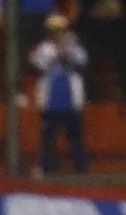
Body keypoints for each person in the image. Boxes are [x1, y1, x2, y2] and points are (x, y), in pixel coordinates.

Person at [30, 14, 89, 175]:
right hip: (50, 100)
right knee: (48, 136)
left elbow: (83, 61)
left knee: (75, 135)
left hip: (71, 99)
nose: (58, 33)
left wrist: (68, 51)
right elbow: (38, 64)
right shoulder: (44, 48)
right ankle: (47, 167)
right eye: (54, 30)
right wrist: (56, 53)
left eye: (61, 30)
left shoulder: (74, 46)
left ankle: (80, 168)